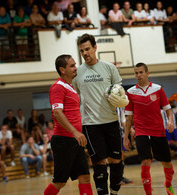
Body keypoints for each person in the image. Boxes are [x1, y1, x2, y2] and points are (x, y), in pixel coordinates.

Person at [73, 34, 129, 195]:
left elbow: (119, 92)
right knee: (99, 163)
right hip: (90, 124)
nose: (85, 53)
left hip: (111, 121)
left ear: (95, 47)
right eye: (82, 50)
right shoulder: (77, 74)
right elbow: (77, 97)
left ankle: (114, 191)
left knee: (117, 162)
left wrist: (121, 105)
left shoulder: (109, 68)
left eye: (87, 49)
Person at [44, 54, 93, 195]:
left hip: (75, 140)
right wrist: (75, 132)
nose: (75, 68)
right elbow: (58, 113)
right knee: (60, 181)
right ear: (62, 70)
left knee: (84, 176)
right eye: (72, 65)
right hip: (64, 140)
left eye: (75, 64)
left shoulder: (70, 87)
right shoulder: (57, 87)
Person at [124, 63, 175, 195]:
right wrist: (126, 137)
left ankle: (168, 184)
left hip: (158, 131)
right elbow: (128, 118)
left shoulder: (158, 89)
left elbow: (168, 109)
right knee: (145, 161)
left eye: (141, 72)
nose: (138, 75)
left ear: (147, 73)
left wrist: (170, 121)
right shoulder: (130, 92)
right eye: (136, 73)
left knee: (167, 164)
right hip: (141, 132)